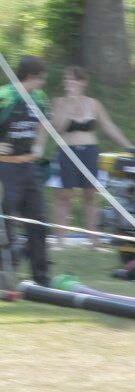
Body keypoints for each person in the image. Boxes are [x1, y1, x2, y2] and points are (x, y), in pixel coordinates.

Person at [49, 66, 133, 250]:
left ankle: (93, 240)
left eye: (74, 79)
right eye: (67, 80)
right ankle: (60, 240)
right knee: (64, 195)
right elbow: (57, 128)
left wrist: (128, 146)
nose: (70, 83)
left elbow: (108, 126)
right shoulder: (59, 102)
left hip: (89, 151)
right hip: (67, 150)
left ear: (83, 82)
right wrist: (69, 105)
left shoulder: (93, 104)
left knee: (91, 195)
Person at [0, 55, 50, 286]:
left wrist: (39, 144)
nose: (43, 83)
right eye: (41, 78)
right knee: (7, 220)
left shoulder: (39, 97)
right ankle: (8, 273)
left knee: (38, 220)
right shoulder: (5, 96)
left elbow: (44, 123)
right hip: (6, 167)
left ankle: (42, 277)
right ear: (30, 76)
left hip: (29, 167)